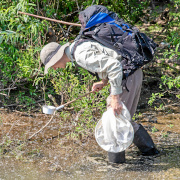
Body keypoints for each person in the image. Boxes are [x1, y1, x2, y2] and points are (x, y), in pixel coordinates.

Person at [40, 40, 159, 164]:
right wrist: (103, 81)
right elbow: (110, 58)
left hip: (127, 76)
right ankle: (150, 154)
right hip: (131, 74)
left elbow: (114, 66)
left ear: (57, 57)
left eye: (52, 64)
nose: (54, 68)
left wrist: (115, 98)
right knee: (122, 120)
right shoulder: (77, 48)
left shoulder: (80, 55)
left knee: (114, 123)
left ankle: (116, 169)